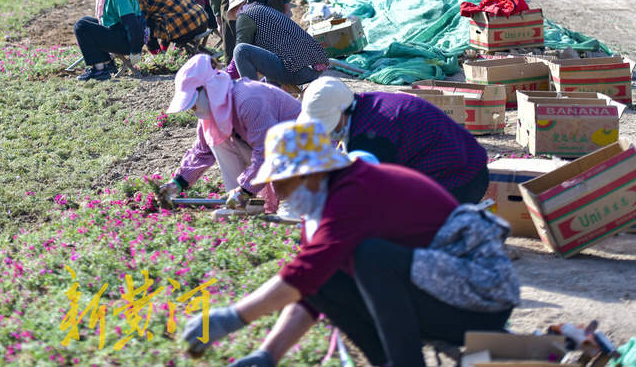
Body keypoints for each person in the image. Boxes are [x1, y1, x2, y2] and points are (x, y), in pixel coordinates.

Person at [182, 121, 519, 367]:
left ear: (310, 173)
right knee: (327, 278)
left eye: (282, 183)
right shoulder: (322, 208)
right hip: (441, 297)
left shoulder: (355, 190)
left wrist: (231, 318)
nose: (280, 194)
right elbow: (310, 289)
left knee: (371, 257)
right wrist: (268, 355)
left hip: (480, 296)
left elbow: (305, 273)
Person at [298, 76, 490, 203]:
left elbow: (369, 193)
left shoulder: (369, 137)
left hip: (459, 182)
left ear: (342, 112)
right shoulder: (366, 102)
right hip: (470, 165)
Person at [157, 54, 302, 213]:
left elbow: (267, 152)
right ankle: (245, 203)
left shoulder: (248, 100)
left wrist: (245, 189)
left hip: (300, 151)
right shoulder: (212, 115)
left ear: (208, 89)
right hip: (274, 156)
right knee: (216, 141)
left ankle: (292, 199)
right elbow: (202, 151)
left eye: (193, 103)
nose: (192, 109)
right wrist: (177, 184)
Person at [228, 0, 328, 87]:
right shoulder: (268, 11)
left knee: (240, 50)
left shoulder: (246, 16)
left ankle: (253, 93)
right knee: (270, 56)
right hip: (317, 69)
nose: (236, 15)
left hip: (298, 71)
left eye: (235, 9)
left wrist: (224, 77)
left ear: (243, 3)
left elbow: (238, 59)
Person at [73, 0, 145, 81]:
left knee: (81, 26)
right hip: (118, 31)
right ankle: (108, 64)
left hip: (128, 40)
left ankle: (99, 70)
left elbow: (131, 23)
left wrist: (135, 50)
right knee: (85, 21)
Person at [114, 0, 209, 54]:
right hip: (202, 21)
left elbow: (140, 27)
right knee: (158, 15)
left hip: (189, 29)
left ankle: (157, 55)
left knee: (145, 27)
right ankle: (163, 50)